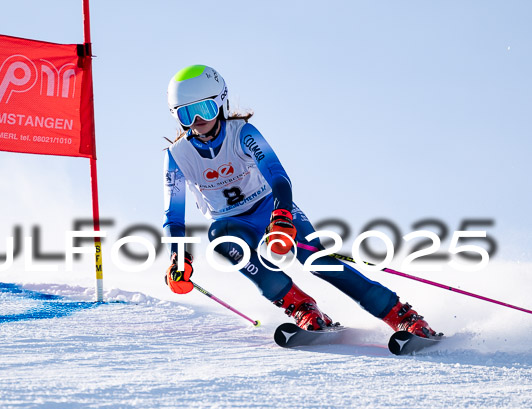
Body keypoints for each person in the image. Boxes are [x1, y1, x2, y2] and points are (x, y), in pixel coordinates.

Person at [162, 64, 438, 338]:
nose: (198, 119)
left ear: (221, 102)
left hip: (270, 207)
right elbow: (174, 217)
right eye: (187, 113)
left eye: (206, 109)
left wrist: (281, 215)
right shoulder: (177, 155)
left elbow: (279, 177)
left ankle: (400, 315)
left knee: (317, 260)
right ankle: (302, 308)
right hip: (232, 224)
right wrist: (178, 257)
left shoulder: (242, 133)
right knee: (220, 238)